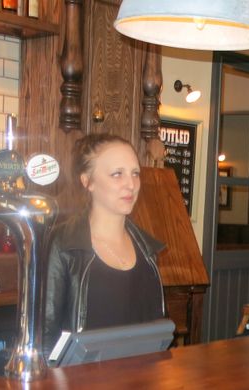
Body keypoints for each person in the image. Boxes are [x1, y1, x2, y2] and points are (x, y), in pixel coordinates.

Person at [43, 133, 167, 360]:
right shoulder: (63, 244)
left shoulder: (147, 250)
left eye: (135, 173)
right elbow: (45, 340)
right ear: (87, 181)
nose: (131, 184)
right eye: (117, 174)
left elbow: (156, 334)